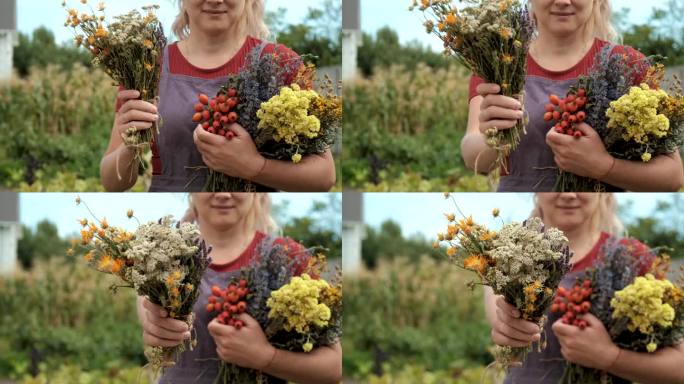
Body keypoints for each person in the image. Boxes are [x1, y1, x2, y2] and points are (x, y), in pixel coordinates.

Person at [101, 0, 336, 192]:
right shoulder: (146, 67)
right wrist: (130, 146)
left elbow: (323, 176)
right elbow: (112, 182)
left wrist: (255, 167)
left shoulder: (281, 64)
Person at [461, 0, 684, 191]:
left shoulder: (627, 65)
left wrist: (604, 167)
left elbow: (673, 175)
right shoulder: (499, 63)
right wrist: (495, 138)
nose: (563, 1)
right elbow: (474, 157)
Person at [137, 193, 342, 383]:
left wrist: (265, 357)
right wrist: (156, 332)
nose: (224, 194)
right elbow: (156, 344)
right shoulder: (162, 259)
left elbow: (333, 367)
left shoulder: (287, 258)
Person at [485, 193, 684, 383]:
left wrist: (610, 357)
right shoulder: (507, 254)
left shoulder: (631, 258)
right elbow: (500, 323)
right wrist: (508, 329)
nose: (569, 194)